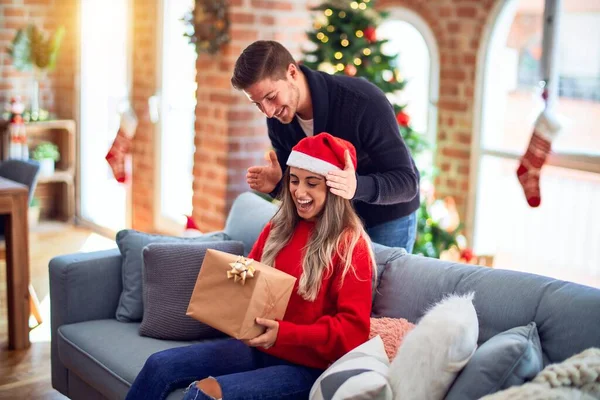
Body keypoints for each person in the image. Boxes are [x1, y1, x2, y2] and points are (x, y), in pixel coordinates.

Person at [125, 134, 375, 400]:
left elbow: (352, 331)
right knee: (158, 365)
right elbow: (251, 279)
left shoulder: (351, 245)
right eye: (294, 180)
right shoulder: (279, 227)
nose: (299, 192)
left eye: (311, 183)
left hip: (307, 368)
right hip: (257, 348)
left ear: (334, 187)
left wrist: (284, 334)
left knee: (203, 395)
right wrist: (232, 282)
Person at [232, 40, 420, 252]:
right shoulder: (278, 119)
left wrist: (356, 186)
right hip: (333, 222)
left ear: (292, 73)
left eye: (271, 97)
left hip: (385, 219)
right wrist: (277, 186)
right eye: (257, 104)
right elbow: (301, 188)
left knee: (377, 286)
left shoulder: (363, 102)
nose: (267, 111)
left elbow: (407, 182)